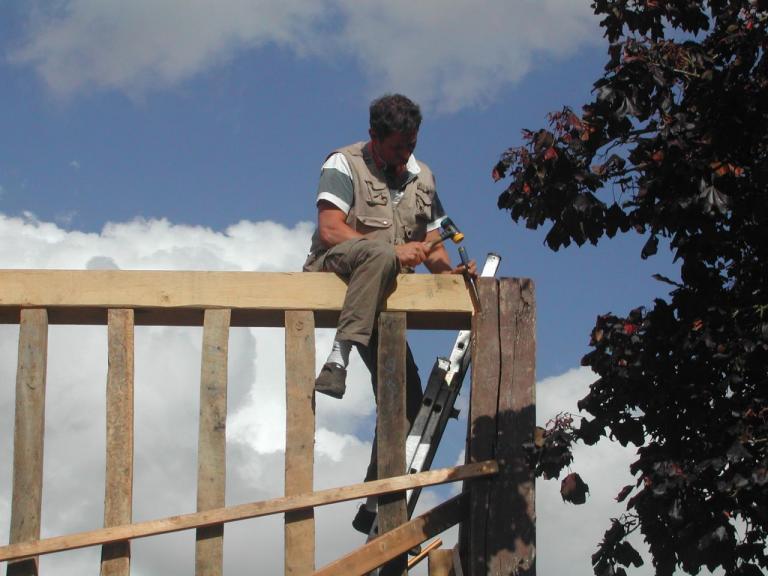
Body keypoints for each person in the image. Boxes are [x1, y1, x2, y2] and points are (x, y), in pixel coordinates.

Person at [303, 93, 475, 533]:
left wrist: (452, 273)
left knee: (409, 401)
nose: (406, 153)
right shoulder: (345, 163)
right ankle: (337, 359)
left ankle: (373, 501)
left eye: (411, 143)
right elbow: (330, 229)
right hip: (338, 267)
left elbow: (434, 245)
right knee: (379, 255)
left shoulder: (423, 177)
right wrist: (394, 250)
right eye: (398, 145)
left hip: (378, 299)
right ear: (375, 138)